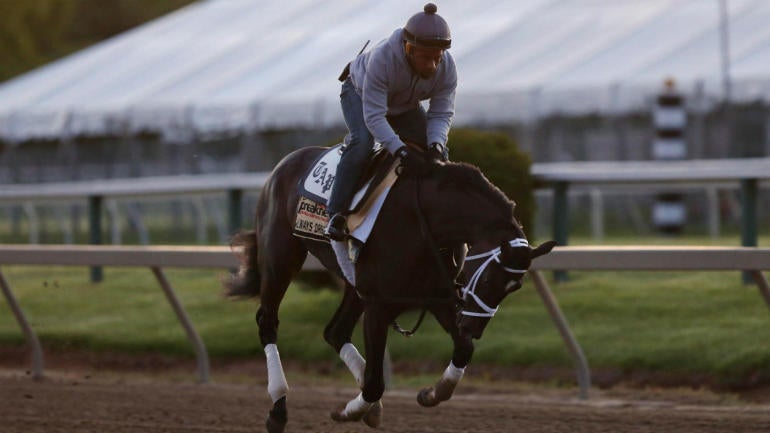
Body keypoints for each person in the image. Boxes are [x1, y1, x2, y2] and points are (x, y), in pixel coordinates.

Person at [324, 3, 457, 241]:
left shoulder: (447, 68)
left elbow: (441, 113)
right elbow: (375, 117)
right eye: (426, 58)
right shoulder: (383, 59)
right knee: (362, 143)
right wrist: (401, 151)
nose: (432, 66)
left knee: (441, 152)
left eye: (437, 58)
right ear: (408, 48)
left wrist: (435, 145)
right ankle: (336, 213)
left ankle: (444, 216)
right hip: (360, 93)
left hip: (404, 105)